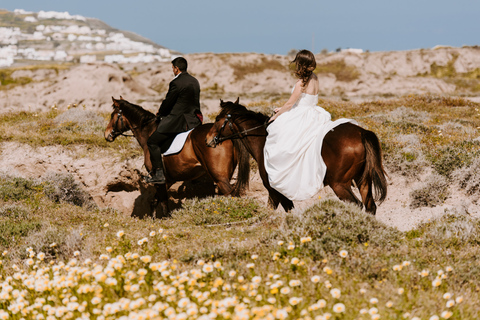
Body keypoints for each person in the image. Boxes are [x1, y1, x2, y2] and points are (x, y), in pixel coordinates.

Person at [264, 49, 354, 200]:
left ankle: (287, 176)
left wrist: (277, 115)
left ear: (300, 64)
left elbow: (290, 103)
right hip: (315, 113)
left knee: (278, 135)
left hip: (301, 114)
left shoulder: (301, 83)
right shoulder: (315, 78)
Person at [145, 57, 202, 184]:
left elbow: (168, 102)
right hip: (194, 121)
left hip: (178, 121)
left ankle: (159, 174)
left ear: (176, 69)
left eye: (172, 68)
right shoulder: (195, 81)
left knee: (152, 142)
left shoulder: (176, 83)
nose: (173, 70)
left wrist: (160, 113)